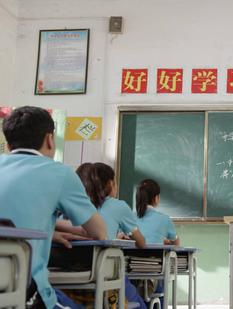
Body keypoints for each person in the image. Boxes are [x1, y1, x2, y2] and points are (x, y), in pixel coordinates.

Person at [0, 106, 106, 309]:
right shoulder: (59, 173)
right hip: (24, 290)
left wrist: (50, 231)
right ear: (50, 140)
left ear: (7, 144)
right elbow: (100, 232)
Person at [76, 162, 147, 309]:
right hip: (104, 271)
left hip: (71, 272)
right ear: (110, 183)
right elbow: (141, 243)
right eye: (115, 182)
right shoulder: (118, 206)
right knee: (139, 303)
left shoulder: (75, 203)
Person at [136, 179, 179, 245]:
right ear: (156, 198)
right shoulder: (165, 219)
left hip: (129, 255)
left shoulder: (129, 217)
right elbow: (176, 243)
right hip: (155, 255)